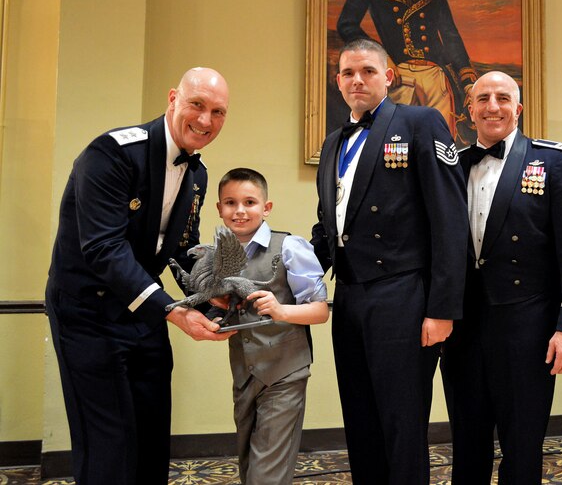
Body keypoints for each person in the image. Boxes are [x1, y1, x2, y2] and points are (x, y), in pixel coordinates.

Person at [46, 67, 233, 485]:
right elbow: (104, 249)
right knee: (107, 447)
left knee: (150, 441)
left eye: (218, 112)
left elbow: (182, 247)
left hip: (144, 315)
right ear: (173, 98)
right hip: (88, 314)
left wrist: (210, 294)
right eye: (197, 105)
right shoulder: (112, 153)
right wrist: (173, 311)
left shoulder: (197, 174)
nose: (205, 120)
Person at [310, 38, 468, 485]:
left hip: (403, 295)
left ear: (388, 77)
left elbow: (450, 220)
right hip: (351, 296)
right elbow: (329, 226)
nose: (356, 80)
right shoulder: (333, 141)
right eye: (347, 73)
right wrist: (291, 280)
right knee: (359, 418)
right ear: (337, 81)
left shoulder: (420, 122)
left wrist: (442, 308)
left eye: (367, 71)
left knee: (401, 423)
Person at [441, 71, 562, 484]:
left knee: (523, 444)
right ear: (469, 109)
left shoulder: (553, 160)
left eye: (503, 98)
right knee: (466, 441)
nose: (493, 106)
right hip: (463, 326)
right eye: (484, 98)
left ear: (519, 108)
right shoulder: (451, 166)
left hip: (527, 327)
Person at [211, 168, 329, 485]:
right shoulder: (220, 257)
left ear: (266, 208)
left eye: (249, 201)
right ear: (219, 209)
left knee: (268, 471)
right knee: (250, 463)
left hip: (285, 371)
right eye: (230, 202)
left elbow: (320, 311)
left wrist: (280, 310)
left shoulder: (290, 247)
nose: (239, 210)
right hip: (244, 372)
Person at [337, 0, 478, 148]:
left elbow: (451, 37)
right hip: (399, 77)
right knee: (396, 151)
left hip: (436, 79)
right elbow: (346, 25)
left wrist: (467, 81)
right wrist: (381, 57)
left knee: (441, 150)